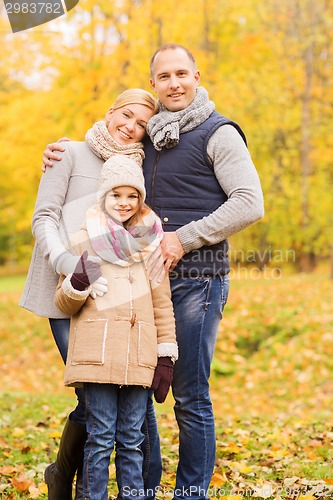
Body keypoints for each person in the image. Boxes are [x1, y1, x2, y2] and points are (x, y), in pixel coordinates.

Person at [41, 43, 264, 500]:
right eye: (164, 76)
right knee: (132, 393)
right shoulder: (153, 135)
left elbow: (249, 202)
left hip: (196, 281)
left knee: (188, 396)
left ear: (198, 76)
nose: (175, 83)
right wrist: (62, 150)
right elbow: (111, 145)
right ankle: (139, 488)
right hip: (137, 283)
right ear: (153, 84)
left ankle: (189, 493)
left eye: (182, 73)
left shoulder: (219, 133)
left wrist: (184, 237)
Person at [20, 89, 164, 500]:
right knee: (92, 390)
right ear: (111, 112)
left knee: (109, 397)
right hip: (66, 290)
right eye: (127, 116)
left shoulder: (139, 169)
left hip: (116, 302)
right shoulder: (69, 153)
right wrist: (69, 265)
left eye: (141, 125)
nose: (130, 127)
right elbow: (44, 216)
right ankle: (73, 481)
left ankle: (70, 476)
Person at [54, 155, 178, 500]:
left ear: (140, 199)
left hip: (139, 356)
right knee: (100, 437)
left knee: (132, 439)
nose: (124, 203)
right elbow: (64, 303)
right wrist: (77, 283)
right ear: (103, 196)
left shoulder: (152, 243)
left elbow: (162, 305)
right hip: (98, 356)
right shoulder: (83, 241)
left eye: (131, 196)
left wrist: (165, 356)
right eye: (116, 195)